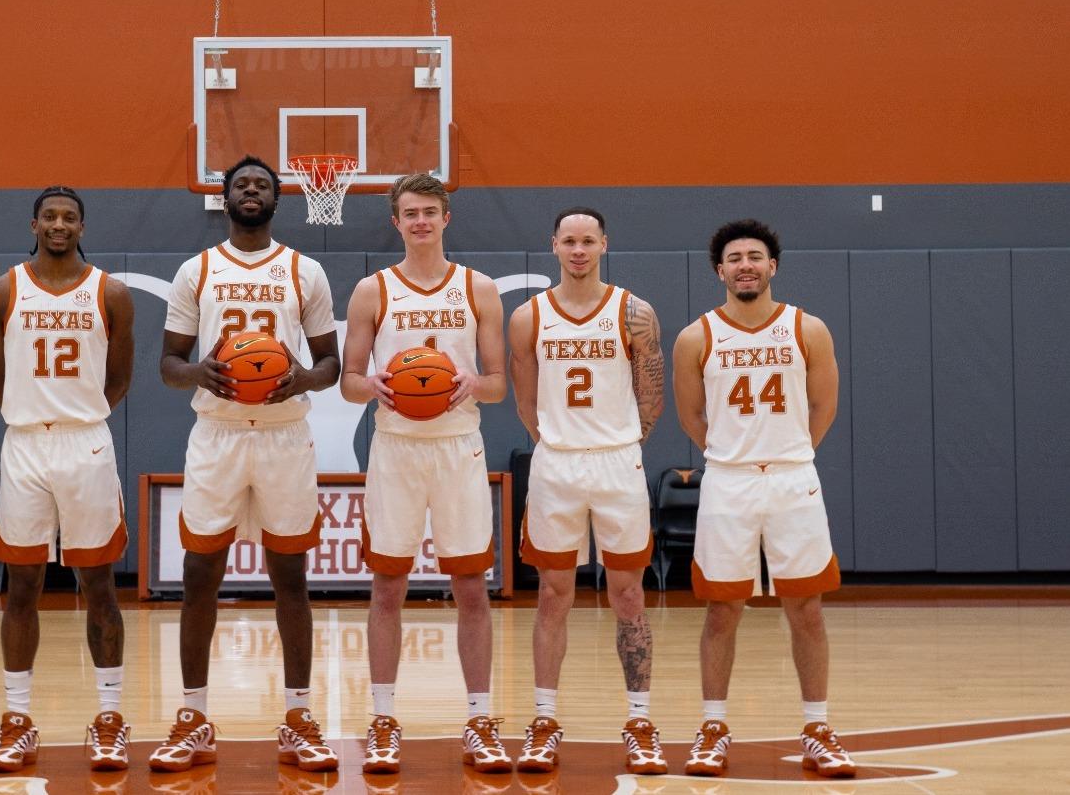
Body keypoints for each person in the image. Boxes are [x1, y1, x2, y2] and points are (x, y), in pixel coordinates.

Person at [151, 156, 341, 773]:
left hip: (285, 435)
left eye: (260, 184)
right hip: (219, 434)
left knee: (292, 578)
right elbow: (169, 363)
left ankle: (298, 717)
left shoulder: (304, 270)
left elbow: (329, 363)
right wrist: (198, 371)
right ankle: (193, 717)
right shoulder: (195, 270)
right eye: (241, 184)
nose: (250, 191)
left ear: (277, 199)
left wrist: (301, 381)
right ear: (225, 198)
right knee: (200, 573)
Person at [672, 219, 856, 778]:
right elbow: (691, 417)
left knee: (807, 608)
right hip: (728, 481)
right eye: (735, 258)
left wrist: (789, 454)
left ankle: (818, 729)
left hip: (793, 478)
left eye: (756, 256)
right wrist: (733, 457)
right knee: (722, 608)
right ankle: (712, 729)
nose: (746, 265)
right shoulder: (695, 337)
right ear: (719, 271)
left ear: (772, 266)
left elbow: (823, 406)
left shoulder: (808, 329)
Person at [340, 173, 510, 774]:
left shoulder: (479, 289)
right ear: (396, 221)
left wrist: (472, 384)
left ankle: (480, 719)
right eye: (409, 213)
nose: (420, 222)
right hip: (396, 448)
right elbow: (349, 380)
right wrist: (375, 386)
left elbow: (496, 384)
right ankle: (383, 719)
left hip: (458, 446)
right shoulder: (372, 290)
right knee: (388, 585)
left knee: (469, 587)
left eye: (429, 212)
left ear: (446, 219)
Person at [0, 186, 135, 772]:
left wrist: (77, 418)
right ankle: (17, 719)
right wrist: (32, 415)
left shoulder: (111, 292)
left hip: (85, 442)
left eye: (70, 216)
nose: (60, 224)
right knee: (21, 587)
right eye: (51, 216)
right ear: (34, 223)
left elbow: (118, 380)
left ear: (83, 226)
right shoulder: (0, 290)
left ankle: (111, 718)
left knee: (98, 586)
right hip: (25, 444)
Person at [508, 207, 667, 775]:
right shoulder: (528, 317)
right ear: (553, 245)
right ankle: (544, 721)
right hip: (558, 466)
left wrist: (622, 444)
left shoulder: (635, 312)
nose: (578, 250)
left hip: (618, 464)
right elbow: (526, 402)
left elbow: (652, 397)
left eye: (588, 241)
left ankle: (640, 722)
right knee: (554, 595)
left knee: (628, 596)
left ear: (604, 244)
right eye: (569, 241)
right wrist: (558, 444)